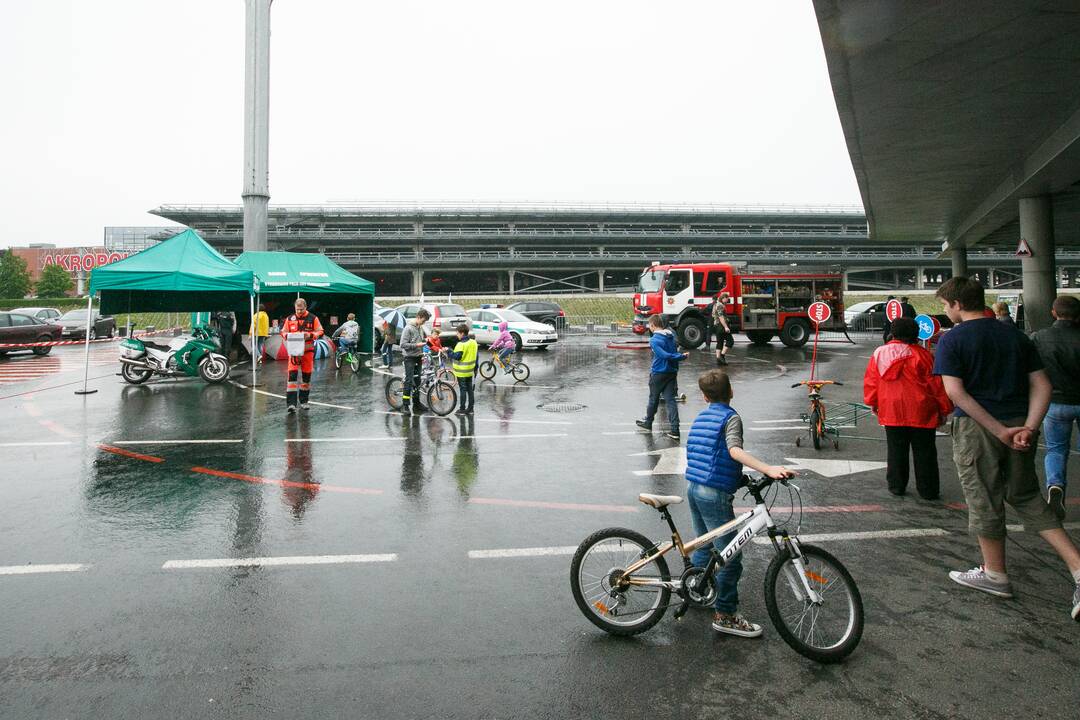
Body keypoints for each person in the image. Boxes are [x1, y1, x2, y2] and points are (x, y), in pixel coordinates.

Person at [932, 276, 1080, 620]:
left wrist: (998, 430)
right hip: (1019, 424)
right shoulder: (1014, 335)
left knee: (983, 496)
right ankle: (1077, 567)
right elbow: (1042, 384)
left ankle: (995, 573)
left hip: (979, 429)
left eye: (944, 305)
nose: (944, 311)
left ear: (956, 304)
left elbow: (956, 394)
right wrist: (1028, 426)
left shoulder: (952, 340)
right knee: (1026, 496)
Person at [686, 368, 795, 637]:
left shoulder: (702, 416)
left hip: (694, 486)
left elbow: (708, 453)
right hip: (714, 492)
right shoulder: (730, 417)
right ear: (731, 392)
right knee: (730, 556)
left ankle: (694, 588)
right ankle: (725, 614)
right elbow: (733, 450)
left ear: (703, 397)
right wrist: (767, 469)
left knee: (705, 543)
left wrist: (740, 478)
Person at [863, 317, 953, 499]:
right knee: (925, 452)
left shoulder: (880, 353)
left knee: (896, 450)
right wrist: (944, 409)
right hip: (922, 411)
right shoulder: (924, 355)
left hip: (891, 409)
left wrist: (873, 402)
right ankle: (928, 490)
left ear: (893, 332)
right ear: (915, 334)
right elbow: (936, 385)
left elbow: (872, 381)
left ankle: (896, 486)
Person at [1031, 295, 1080, 521]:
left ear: (1053, 312)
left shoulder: (1040, 337)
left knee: (1056, 449)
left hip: (1056, 401)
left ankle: (1055, 485)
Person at [636, 314, 688, 440]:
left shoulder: (654, 340)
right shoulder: (670, 336)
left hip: (659, 373)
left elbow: (664, 355)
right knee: (670, 401)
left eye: (650, 326)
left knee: (653, 399)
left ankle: (648, 423)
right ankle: (675, 430)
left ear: (653, 325)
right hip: (671, 372)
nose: (650, 328)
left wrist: (680, 357)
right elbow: (674, 351)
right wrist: (680, 356)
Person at [281, 298, 324, 413]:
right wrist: (287, 336)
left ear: (305, 308)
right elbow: (283, 331)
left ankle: (304, 401)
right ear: (295, 308)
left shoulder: (313, 318)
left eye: (301, 309)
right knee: (292, 378)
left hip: (307, 352)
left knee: (306, 377)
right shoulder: (290, 319)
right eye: (297, 309)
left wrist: (310, 335)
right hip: (294, 353)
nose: (299, 311)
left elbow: (320, 331)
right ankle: (291, 404)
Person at [399, 309, 430, 414]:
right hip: (409, 358)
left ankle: (416, 404)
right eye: (424, 320)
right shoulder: (408, 328)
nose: (424, 323)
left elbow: (420, 342)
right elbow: (402, 344)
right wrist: (417, 345)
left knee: (417, 381)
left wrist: (425, 344)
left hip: (418, 357)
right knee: (409, 380)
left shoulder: (420, 328)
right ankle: (405, 405)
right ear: (419, 317)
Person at [450, 323, 478, 415]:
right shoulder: (473, 342)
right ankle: (471, 409)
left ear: (462, 333)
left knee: (463, 389)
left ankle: (462, 409)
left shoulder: (460, 344)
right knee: (470, 390)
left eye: (457, 333)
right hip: (470, 371)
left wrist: (449, 352)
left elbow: (457, 356)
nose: (457, 335)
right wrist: (476, 368)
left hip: (462, 372)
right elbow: (477, 356)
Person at [712, 291, 734, 366]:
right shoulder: (720, 305)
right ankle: (722, 356)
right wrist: (726, 327)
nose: (727, 300)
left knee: (720, 342)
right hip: (721, 325)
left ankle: (719, 359)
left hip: (716, 325)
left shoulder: (716, 304)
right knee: (730, 341)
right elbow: (721, 317)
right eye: (727, 299)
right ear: (723, 298)